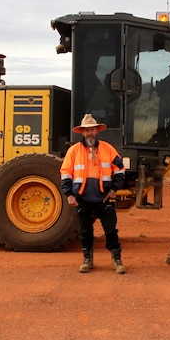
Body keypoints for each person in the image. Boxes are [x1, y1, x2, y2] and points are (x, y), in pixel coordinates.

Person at [60, 114, 127, 274]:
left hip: (103, 198)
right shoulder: (73, 151)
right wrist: (69, 194)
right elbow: (65, 173)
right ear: (82, 132)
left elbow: (120, 169)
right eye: (86, 130)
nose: (90, 132)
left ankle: (117, 260)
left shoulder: (108, 149)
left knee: (110, 230)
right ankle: (87, 260)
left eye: (92, 129)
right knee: (85, 231)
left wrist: (113, 190)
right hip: (82, 199)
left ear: (97, 131)